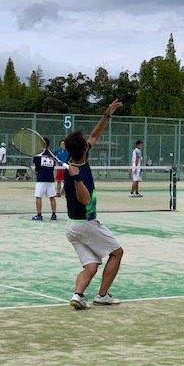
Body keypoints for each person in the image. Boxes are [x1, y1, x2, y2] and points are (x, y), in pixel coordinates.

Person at [65, 99, 124, 309]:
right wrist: (76, 178)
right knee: (117, 253)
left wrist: (107, 114)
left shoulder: (80, 157)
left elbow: (94, 135)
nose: (88, 141)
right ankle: (102, 295)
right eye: (85, 142)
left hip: (72, 227)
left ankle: (77, 295)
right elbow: (85, 200)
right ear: (83, 149)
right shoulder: (75, 173)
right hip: (86, 223)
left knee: (91, 266)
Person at [32, 138, 58, 221]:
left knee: (38, 197)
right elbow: (53, 166)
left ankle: (39, 215)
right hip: (50, 179)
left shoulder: (37, 154)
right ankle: (53, 215)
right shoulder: (52, 154)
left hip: (41, 179)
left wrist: (37, 171)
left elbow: (36, 167)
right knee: (52, 197)